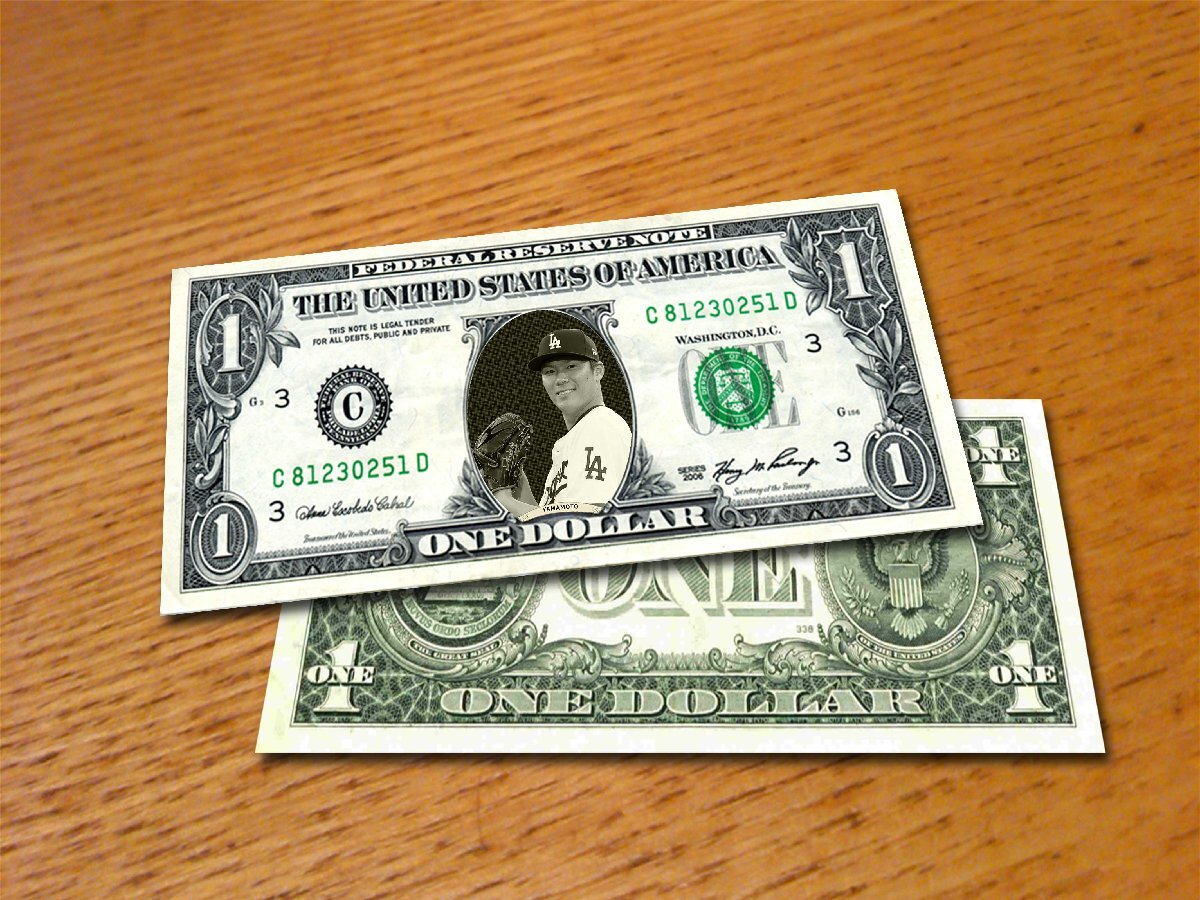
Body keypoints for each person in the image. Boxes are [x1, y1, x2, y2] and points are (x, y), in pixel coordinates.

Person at [494, 328, 632, 516]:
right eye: (550, 371)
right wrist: (516, 480)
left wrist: (502, 499)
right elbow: (548, 520)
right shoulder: (578, 434)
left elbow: (585, 520)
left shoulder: (599, 425)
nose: (560, 379)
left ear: (598, 371)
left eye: (571, 366)